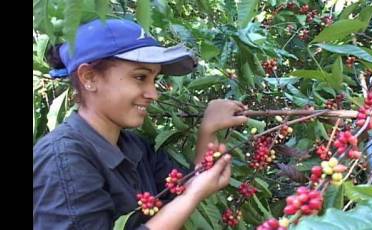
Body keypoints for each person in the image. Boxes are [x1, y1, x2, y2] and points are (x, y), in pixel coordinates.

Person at [33, 18, 248, 230]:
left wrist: (208, 130)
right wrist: (193, 195)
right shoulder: (63, 160)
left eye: (154, 79)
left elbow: (183, 189)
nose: (153, 93)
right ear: (89, 78)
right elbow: (190, 194)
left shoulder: (136, 148)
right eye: (140, 77)